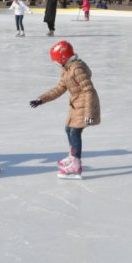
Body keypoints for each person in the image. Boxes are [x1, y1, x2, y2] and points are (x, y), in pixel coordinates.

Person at [29, 41, 101, 179]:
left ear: (62, 58)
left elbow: (89, 90)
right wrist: (41, 99)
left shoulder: (76, 69)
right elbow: (59, 88)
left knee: (74, 132)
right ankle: (72, 156)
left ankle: (76, 163)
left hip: (85, 105)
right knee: (68, 129)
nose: (55, 63)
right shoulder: (67, 70)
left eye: (56, 60)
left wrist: (89, 113)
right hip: (76, 105)